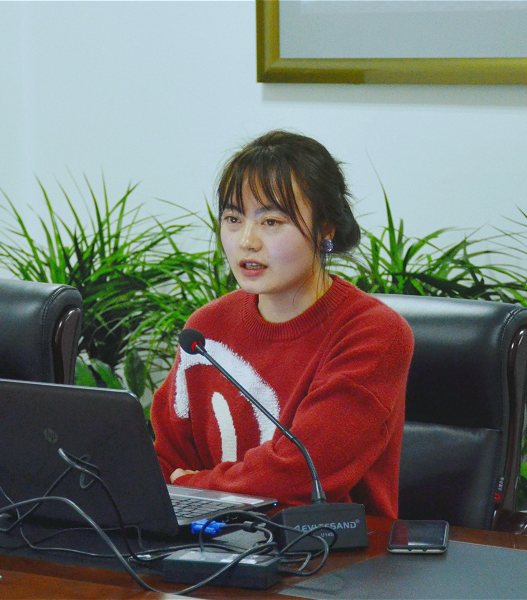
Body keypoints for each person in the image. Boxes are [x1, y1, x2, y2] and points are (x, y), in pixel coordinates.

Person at [151, 130, 413, 519]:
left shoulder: (373, 333)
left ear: (325, 229)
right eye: (233, 218)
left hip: (327, 549)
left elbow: (300, 476)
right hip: (211, 540)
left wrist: (193, 487)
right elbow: (163, 460)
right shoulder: (206, 329)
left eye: (271, 221)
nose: (247, 240)